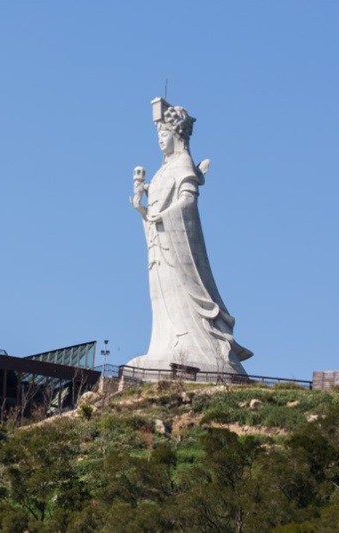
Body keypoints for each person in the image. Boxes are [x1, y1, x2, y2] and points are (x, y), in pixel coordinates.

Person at [127, 100, 252, 375]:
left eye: (164, 135)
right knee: (162, 298)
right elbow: (154, 210)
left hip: (177, 243)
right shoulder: (161, 171)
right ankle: (164, 347)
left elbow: (188, 203)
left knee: (182, 296)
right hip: (160, 245)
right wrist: (142, 208)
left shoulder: (182, 164)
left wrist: (164, 216)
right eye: (158, 136)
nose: (161, 141)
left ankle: (194, 350)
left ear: (177, 135)